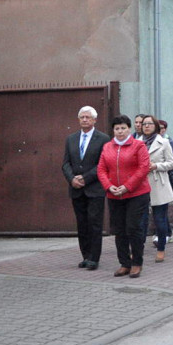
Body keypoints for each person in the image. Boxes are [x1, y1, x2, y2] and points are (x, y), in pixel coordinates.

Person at [96, 115, 151, 278]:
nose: (120, 131)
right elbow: (101, 169)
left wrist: (127, 187)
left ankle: (136, 263)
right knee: (119, 229)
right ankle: (124, 263)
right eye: (117, 128)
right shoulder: (107, 147)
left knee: (133, 227)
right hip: (114, 194)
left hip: (136, 193)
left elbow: (143, 168)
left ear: (129, 129)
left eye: (123, 128)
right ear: (113, 130)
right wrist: (108, 186)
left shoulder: (138, 146)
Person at [62, 106, 110, 270]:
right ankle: (85, 255)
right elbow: (66, 163)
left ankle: (94, 258)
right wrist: (72, 179)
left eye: (87, 117)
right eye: (81, 117)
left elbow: (103, 164)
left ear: (94, 120)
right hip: (76, 188)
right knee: (81, 224)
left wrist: (86, 177)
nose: (84, 120)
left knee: (94, 223)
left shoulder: (103, 139)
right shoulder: (71, 139)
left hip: (94, 188)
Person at [140, 115, 173, 263]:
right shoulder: (137, 142)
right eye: (144, 124)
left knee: (160, 220)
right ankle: (138, 249)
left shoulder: (164, 142)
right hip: (140, 184)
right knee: (140, 220)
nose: (146, 126)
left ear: (155, 126)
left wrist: (156, 166)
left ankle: (161, 248)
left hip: (158, 182)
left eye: (149, 124)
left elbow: (171, 163)